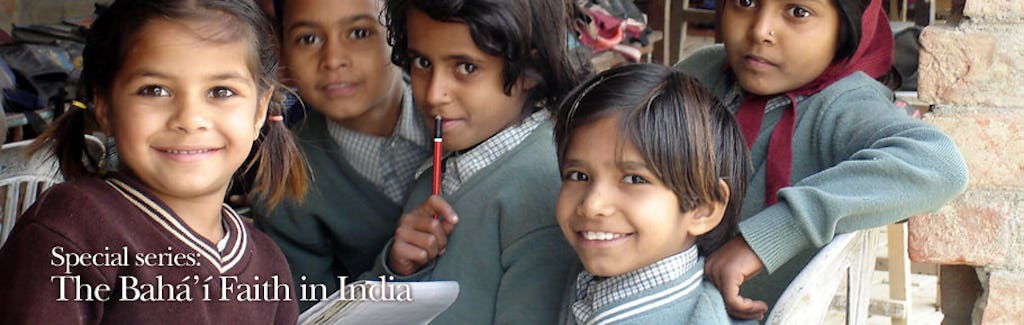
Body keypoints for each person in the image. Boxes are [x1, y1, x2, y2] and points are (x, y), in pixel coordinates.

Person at [0, 0, 307, 323]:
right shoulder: (72, 233)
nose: (190, 119)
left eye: (221, 91)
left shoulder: (269, 264)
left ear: (259, 111)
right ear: (104, 106)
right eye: (154, 90)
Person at [674, 0, 969, 319]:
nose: (760, 31)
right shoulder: (702, 72)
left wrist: (770, 234)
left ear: (846, 28)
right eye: (746, 2)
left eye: (798, 12)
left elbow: (941, 165)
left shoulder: (846, 105)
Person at [363, 0, 589, 323]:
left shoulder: (543, 196)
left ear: (530, 69)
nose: (434, 94)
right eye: (422, 62)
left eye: (466, 68)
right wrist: (400, 269)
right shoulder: (448, 165)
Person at [249, 0, 430, 311]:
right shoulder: (285, 187)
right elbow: (315, 314)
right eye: (308, 39)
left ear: (403, 35)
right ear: (282, 51)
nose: (332, 60)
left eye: (359, 33)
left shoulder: (464, 117)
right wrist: (392, 272)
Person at [553, 64, 755, 324]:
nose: (592, 205)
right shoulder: (588, 283)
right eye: (579, 176)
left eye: (634, 179)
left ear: (703, 208)